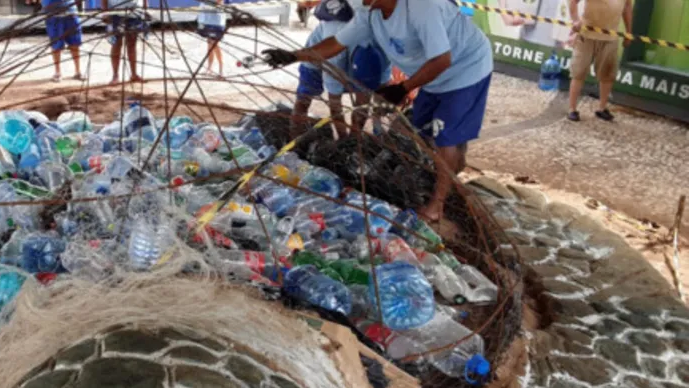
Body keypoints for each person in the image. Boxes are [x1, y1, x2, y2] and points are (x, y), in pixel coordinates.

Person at [263, 0, 493, 222]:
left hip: (465, 69)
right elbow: (336, 43)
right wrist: (293, 56)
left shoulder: (422, 7)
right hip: (432, 77)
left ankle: (437, 205)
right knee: (423, 130)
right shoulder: (369, 12)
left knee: (447, 136)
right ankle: (449, 175)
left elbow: (442, 59)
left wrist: (403, 88)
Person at [291, 0, 390, 139]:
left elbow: (364, 104)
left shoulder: (385, 50)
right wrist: (344, 141)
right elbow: (335, 105)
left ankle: (359, 138)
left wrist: (362, 135)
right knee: (304, 98)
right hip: (318, 52)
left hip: (362, 59)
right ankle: (293, 142)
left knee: (370, 101)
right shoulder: (336, 58)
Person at [566, 0, 632, 122]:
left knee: (607, 74)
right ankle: (572, 109)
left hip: (610, 37)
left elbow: (627, 7)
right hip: (586, 35)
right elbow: (573, 1)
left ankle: (602, 108)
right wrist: (575, 20)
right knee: (579, 71)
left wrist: (628, 31)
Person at [103, 0, 148, 83]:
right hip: (116, 13)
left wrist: (145, 9)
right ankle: (115, 76)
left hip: (135, 13)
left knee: (132, 44)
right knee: (116, 44)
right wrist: (105, 12)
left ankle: (134, 74)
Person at [43, 0, 84, 82]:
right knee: (56, 44)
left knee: (75, 42)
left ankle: (78, 71)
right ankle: (57, 72)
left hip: (71, 10)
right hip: (52, 12)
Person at [196, 0, 225, 77]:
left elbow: (219, 2)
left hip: (216, 21)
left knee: (214, 44)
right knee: (209, 43)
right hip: (207, 20)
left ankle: (221, 66)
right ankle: (209, 67)